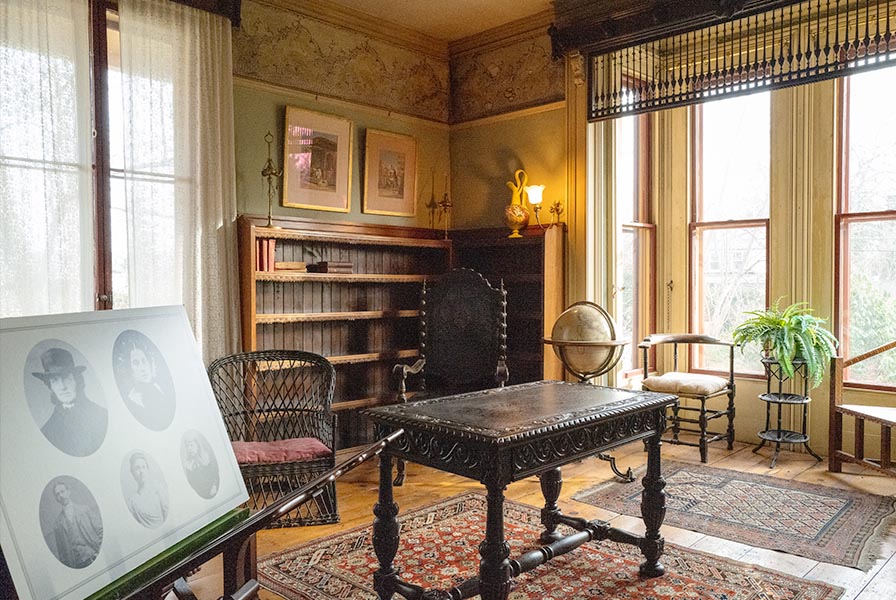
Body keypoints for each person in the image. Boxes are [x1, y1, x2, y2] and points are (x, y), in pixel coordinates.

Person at [32, 348, 108, 457]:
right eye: (55, 381)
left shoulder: (102, 415)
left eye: (66, 378)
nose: (62, 387)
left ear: (77, 380)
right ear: (50, 387)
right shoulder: (48, 431)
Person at [118, 336, 175, 431]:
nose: (142, 368)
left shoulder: (161, 388)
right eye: (136, 363)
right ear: (130, 370)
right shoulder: (132, 399)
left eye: (144, 361)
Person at [51, 480, 103, 569]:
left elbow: (100, 530)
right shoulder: (57, 524)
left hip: (93, 555)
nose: (61, 496)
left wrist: (98, 552)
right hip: (76, 564)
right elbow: (62, 553)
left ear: (68, 492)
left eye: (62, 491)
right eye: (57, 494)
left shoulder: (85, 510)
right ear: (56, 499)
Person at [125, 452, 169, 529]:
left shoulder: (158, 489)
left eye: (143, 467)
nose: (141, 471)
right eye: (137, 468)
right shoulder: (133, 501)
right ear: (132, 473)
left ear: (147, 469)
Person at [181, 433, 219, 499]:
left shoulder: (206, 458)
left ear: (197, 446)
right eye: (187, 446)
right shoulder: (188, 465)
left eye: (191, 445)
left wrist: (214, 485)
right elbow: (192, 483)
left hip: (212, 489)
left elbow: (214, 473)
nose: (189, 448)